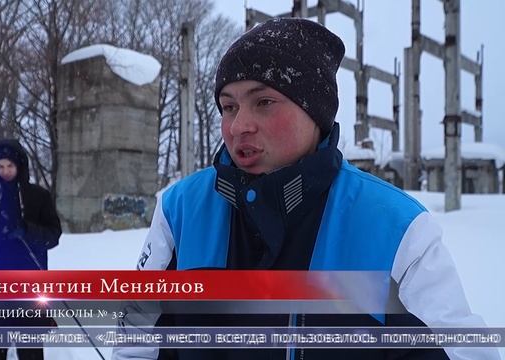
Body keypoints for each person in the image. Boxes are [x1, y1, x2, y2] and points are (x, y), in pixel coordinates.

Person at [112, 18, 499, 360]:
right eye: (228, 107)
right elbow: (134, 344)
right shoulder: (181, 210)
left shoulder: (395, 227)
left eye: (263, 102)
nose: (238, 125)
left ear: (316, 113)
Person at [0, 139, 62, 360]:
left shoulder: (39, 196)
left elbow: (53, 236)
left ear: (19, 165)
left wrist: (27, 230)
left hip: (29, 287)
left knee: (30, 353)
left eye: (10, 166)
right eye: (0, 167)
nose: (5, 171)